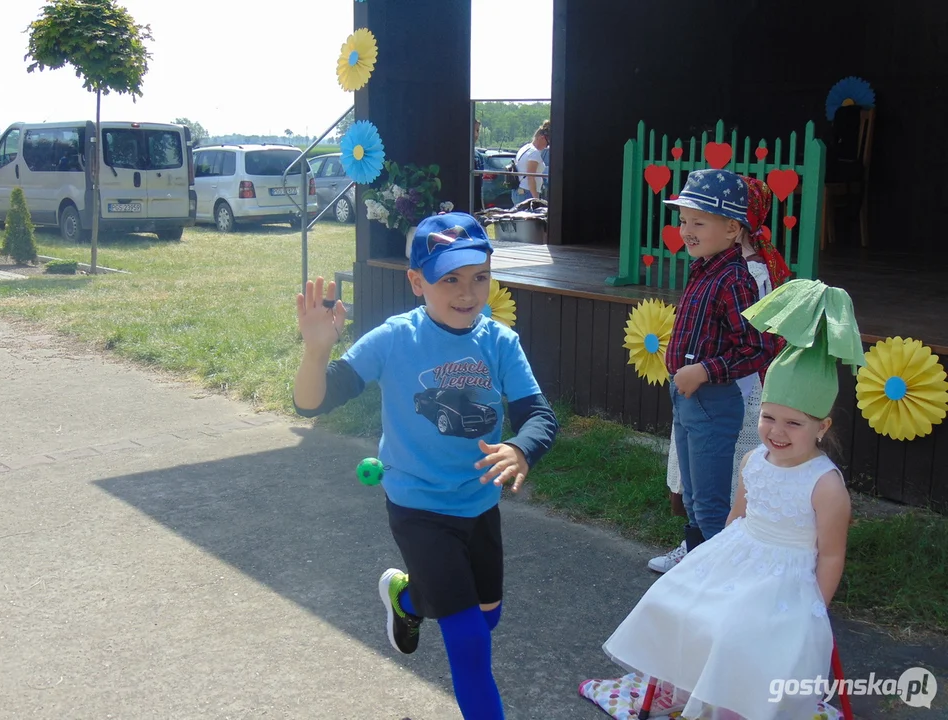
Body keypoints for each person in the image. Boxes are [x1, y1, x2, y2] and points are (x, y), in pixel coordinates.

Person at [292, 211, 559, 720]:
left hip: (478, 502)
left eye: (479, 276)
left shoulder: (499, 341)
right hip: (416, 504)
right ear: (417, 282)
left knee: (489, 616)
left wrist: (522, 448)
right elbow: (313, 403)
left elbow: (537, 413)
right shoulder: (395, 339)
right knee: (469, 640)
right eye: (449, 279)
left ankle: (407, 599)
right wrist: (315, 353)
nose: (467, 292)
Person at [595, 279, 863, 720]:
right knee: (675, 598)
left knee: (735, 630)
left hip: (786, 580)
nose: (776, 432)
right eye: (768, 417)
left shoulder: (825, 484)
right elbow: (738, 517)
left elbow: (831, 555)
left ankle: (734, 703)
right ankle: (680, 686)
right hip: (740, 555)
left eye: (793, 424)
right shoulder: (755, 460)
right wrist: (709, 567)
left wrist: (816, 609)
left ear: (822, 426)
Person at [650, 176, 789, 573]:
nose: (686, 232)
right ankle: (695, 557)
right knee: (693, 494)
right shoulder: (704, 269)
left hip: (713, 400)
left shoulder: (736, 279)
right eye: (684, 222)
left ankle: (717, 577)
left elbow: (758, 347)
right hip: (688, 398)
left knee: (711, 500)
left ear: (732, 228)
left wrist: (704, 370)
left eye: (698, 223)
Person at [511, 120, 550, 205]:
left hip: (520, 191)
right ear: (542, 138)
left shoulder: (525, 148)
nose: (546, 146)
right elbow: (530, 178)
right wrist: (536, 200)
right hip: (527, 193)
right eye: (547, 143)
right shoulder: (534, 153)